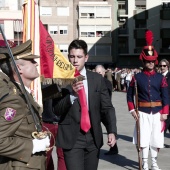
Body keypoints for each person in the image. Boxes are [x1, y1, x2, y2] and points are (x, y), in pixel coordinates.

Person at [53, 39, 117, 170]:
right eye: (72, 56)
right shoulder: (60, 80)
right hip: (72, 138)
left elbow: (107, 108)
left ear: (86, 57)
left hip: (93, 136)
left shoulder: (97, 79)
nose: (75, 60)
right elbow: (56, 109)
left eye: (79, 57)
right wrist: (72, 95)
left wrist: (111, 131)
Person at [0, 40, 50, 170]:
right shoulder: (14, 100)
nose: (36, 63)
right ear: (19, 68)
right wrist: (33, 145)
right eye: (31, 61)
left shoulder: (23, 94)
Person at [127, 30, 169, 170]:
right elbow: (129, 94)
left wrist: (165, 112)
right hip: (142, 112)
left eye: (152, 61)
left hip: (157, 113)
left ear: (155, 61)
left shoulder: (161, 78)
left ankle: (154, 163)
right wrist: (132, 110)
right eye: (148, 61)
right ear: (144, 61)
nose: (150, 64)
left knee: (156, 139)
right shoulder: (136, 77)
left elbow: (166, 96)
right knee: (143, 139)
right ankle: (145, 162)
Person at [95, 65, 119, 155]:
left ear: (104, 72)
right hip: (96, 111)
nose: (98, 74)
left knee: (110, 129)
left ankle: (113, 148)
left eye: (99, 73)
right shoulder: (94, 82)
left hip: (105, 110)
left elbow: (107, 98)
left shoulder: (107, 83)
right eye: (96, 73)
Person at [42, 84, 67, 170]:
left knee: (63, 154)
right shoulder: (44, 81)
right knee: (45, 154)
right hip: (47, 122)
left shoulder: (68, 81)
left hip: (63, 123)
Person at [159, 59, 170, 134]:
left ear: (168, 66)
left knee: (164, 124)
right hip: (160, 103)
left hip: (168, 103)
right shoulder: (158, 76)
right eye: (161, 66)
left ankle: (159, 141)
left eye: (164, 66)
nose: (162, 67)